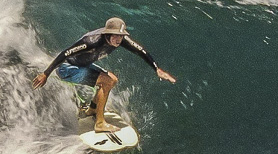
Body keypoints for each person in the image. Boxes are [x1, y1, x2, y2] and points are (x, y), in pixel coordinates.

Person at [33, 17, 176, 133]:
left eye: (121, 36)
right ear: (107, 34)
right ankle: (100, 123)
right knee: (106, 81)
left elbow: (141, 50)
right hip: (67, 68)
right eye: (115, 36)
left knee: (112, 80)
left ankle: (92, 110)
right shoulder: (91, 41)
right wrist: (45, 74)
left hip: (84, 65)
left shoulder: (120, 40)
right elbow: (65, 54)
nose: (118, 40)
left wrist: (156, 68)